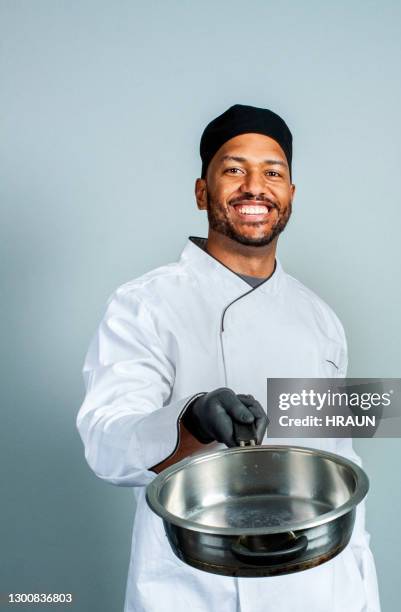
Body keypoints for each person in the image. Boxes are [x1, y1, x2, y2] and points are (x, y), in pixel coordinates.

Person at [77, 104, 381, 612]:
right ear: (203, 192)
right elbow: (105, 442)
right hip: (194, 589)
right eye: (234, 169)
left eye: (273, 173)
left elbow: (342, 464)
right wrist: (189, 419)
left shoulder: (321, 319)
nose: (255, 187)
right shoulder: (145, 304)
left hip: (321, 591)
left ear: (290, 194)